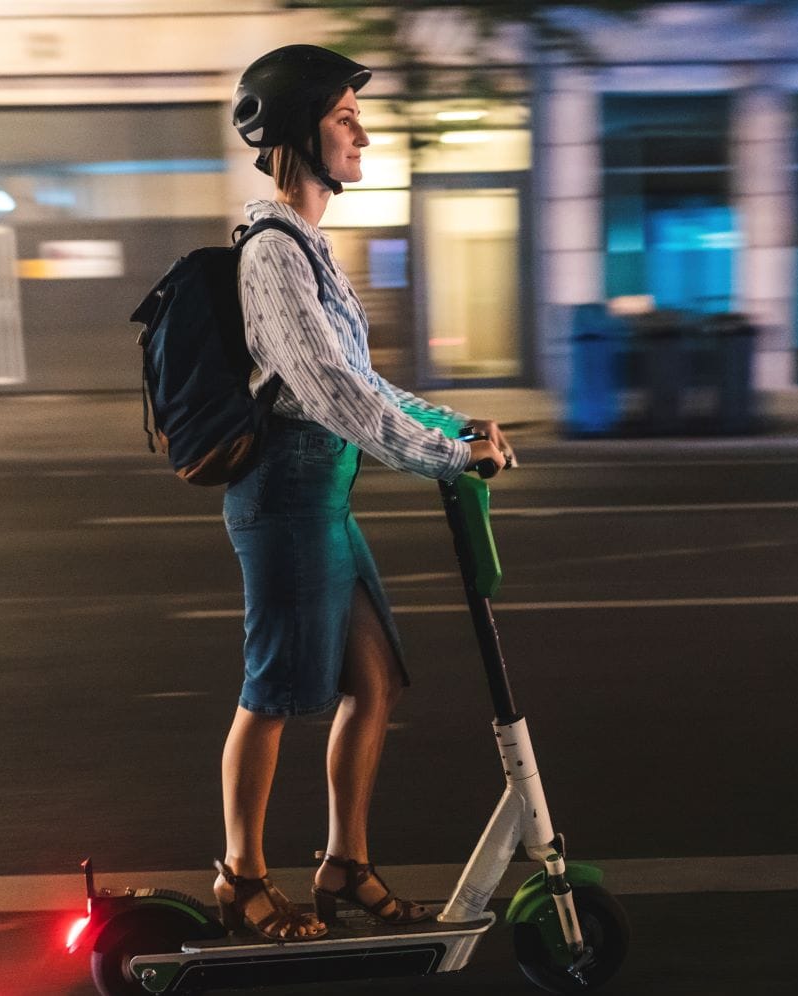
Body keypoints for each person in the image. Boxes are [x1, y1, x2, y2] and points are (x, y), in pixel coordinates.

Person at [212, 44, 516, 943]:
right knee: (270, 694)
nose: (364, 134)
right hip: (283, 499)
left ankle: (344, 863)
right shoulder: (271, 252)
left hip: (327, 501)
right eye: (346, 117)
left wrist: (455, 428)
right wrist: (440, 461)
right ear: (301, 129)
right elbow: (328, 393)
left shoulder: (310, 248)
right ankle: (241, 874)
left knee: (373, 683)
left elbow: (367, 384)